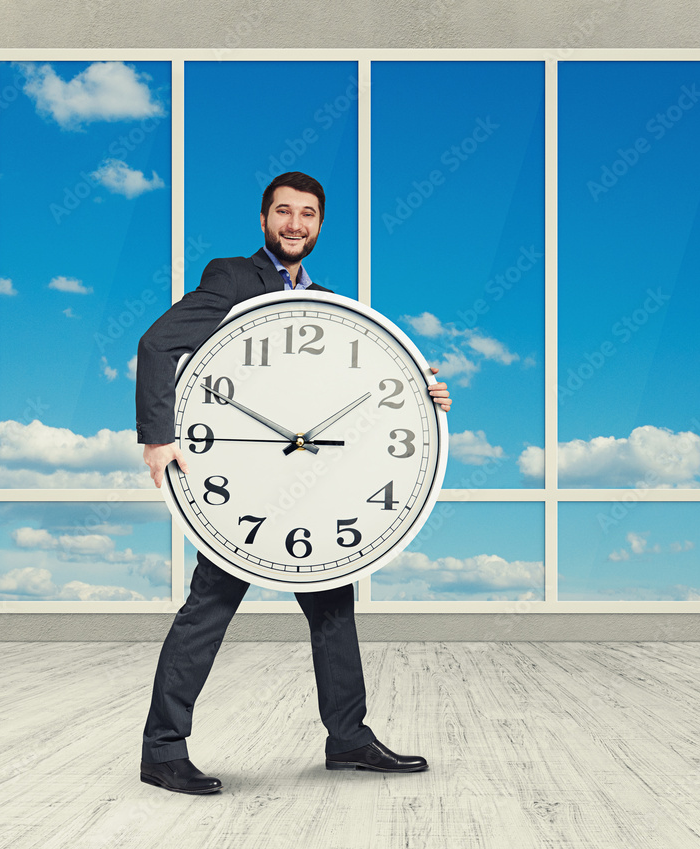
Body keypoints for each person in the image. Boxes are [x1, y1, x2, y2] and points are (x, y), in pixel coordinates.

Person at [136, 171, 452, 795]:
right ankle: (162, 750)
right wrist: (157, 435)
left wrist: (419, 393)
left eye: (307, 215)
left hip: (309, 487)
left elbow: (348, 396)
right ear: (263, 220)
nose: (295, 224)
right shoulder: (231, 279)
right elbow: (156, 343)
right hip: (248, 490)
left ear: (320, 225)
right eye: (283, 212)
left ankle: (349, 738)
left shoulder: (328, 305)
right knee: (208, 611)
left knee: (335, 610)